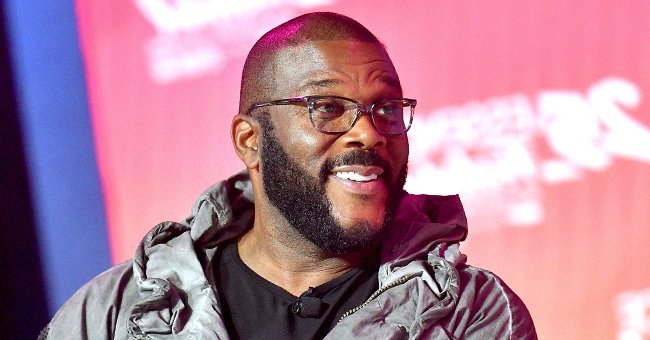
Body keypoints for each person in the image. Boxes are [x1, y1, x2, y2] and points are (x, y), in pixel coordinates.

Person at [40, 12, 537, 339]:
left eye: (385, 108)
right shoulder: (116, 313)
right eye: (327, 107)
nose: (368, 133)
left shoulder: (470, 315)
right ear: (250, 142)